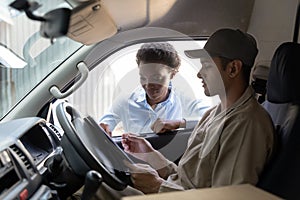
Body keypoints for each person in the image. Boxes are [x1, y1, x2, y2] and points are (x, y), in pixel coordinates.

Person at [96, 28, 275, 199]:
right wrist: (151, 155)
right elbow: (188, 179)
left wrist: (157, 187)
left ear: (233, 69)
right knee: (97, 184)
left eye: (206, 66)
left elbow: (227, 197)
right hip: (175, 193)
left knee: (94, 188)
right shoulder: (213, 114)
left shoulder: (246, 123)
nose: (199, 74)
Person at [99, 42, 211, 136]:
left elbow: (213, 118)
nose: (148, 85)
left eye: (156, 77)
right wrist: (104, 129)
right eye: (143, 77)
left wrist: (178, 124)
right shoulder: (125, 100)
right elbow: (105, 124)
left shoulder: (184, 98)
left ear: (172, 74)